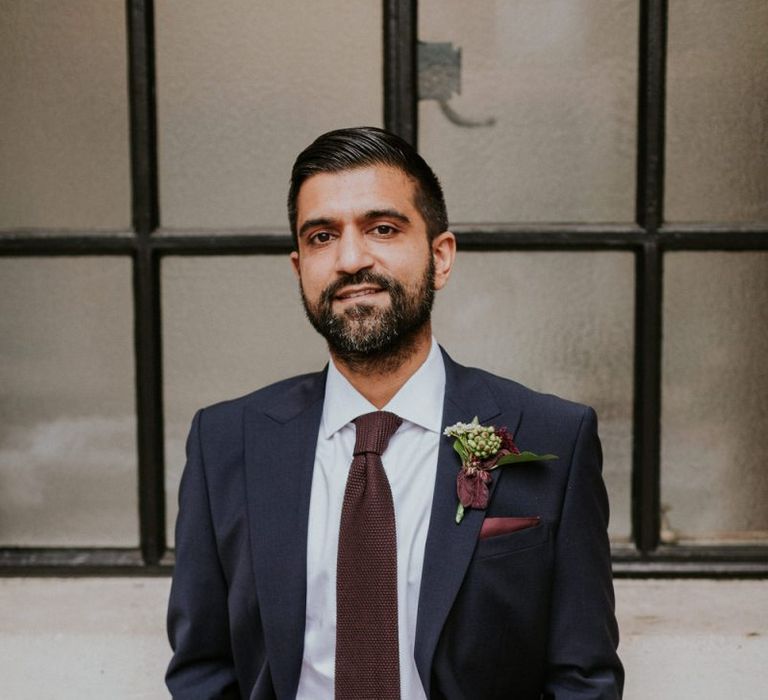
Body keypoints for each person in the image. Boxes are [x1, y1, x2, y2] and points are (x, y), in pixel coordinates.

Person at [166, 126, 623, 699]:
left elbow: (584, 676)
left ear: (441, 256)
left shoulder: (556, 434)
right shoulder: (224, 441)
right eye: (322, 236)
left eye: (382, 229)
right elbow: (202, 668)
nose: (350, 259)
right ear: (298, 267)